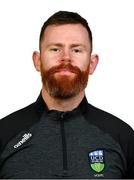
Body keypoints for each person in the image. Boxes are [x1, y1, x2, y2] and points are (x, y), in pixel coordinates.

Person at [0, 11, 134, 179]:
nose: (66, 58)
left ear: (92, 64)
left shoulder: (122, 136)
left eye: (76, 50)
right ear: (37, 61)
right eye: (55, 49)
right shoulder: (4, 133)